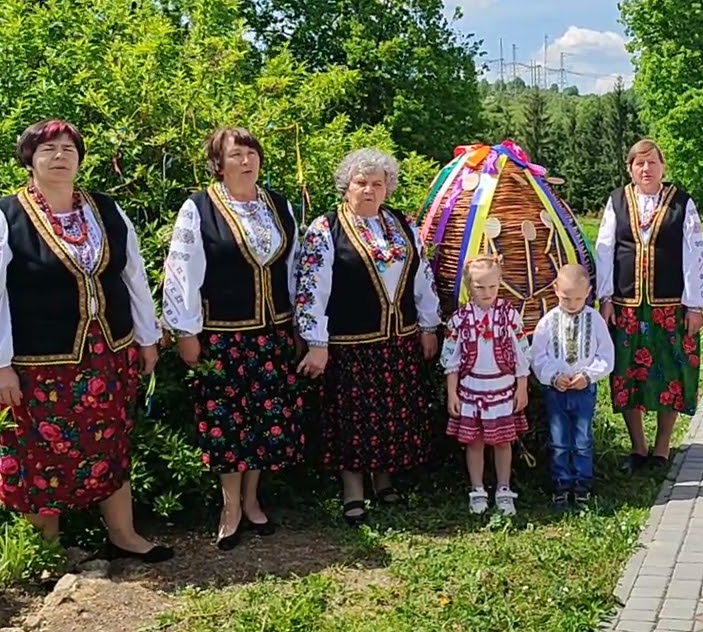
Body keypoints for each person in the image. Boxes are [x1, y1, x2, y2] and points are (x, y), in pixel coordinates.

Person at [0, 119, 172, 562]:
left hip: (109, 353)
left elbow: (132, 274)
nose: (60, 156)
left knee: (112, 444)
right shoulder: (7, 216)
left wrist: (148, 337)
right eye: (48, 149)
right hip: (39, 363)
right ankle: (48, 552)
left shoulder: (106, 210)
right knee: (40, 455)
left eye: (68, 149)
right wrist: (1, 364)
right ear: (29, 161)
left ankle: (124, 535)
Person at [163, 126, 305, 550]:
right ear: (218, 164)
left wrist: (301, 323)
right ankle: (229, 507)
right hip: (222, 337)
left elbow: (297, 268)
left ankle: (252, 500)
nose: (246, 161)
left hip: (273, 334)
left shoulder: (279, 205)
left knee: (266, 422)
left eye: (252, 153)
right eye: (236, 155)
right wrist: (185, 330)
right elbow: (181, 270)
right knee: (227, 425)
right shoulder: (199, 208)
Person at [294, 148, 441, 526]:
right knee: (351, 419)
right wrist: (316, 342)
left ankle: (384, 480)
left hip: (397, 341)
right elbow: (312, 289)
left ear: (388, 188)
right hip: (348, 345)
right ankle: (352, 491)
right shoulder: (326, 229)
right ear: (347, 186)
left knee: (392, 415)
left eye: (378, 183)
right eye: (361, 182)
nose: (369, 190)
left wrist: (428, 326)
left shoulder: (403, 225)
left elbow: (422, 279)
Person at [595, 139, 703, 473]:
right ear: (630, 168)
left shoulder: (681, 203)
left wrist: (695, 305)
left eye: (652, 163)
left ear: (663, 166)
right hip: (627, 304)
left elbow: (694, 254)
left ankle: (661, 449)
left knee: (670, 374)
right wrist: (605, 298)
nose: (646, 169)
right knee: (628, 375)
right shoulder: (617, 201)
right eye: (639, 164)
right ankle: (638, 448)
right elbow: (605, 250)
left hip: (671, 305)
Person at [442, 256, 531, 516]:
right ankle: (477, 489)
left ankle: (504, 489)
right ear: (470, 287)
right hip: (471, 390)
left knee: (503, 441)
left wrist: (522, 387)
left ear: (499, 284)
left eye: (492, 286)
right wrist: (452, 394)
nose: (487, 293)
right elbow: (452, 360)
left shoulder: (509, 315)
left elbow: (521, 354)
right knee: (475, 442)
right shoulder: (460, 320)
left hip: (502, 389)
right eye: (480, 287)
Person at [530, 265, 614, 509]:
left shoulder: (595, 320)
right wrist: (553, 376)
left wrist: (588, 376)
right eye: (567, 297)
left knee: (582, 438)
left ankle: (582, 484)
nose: (573, 303)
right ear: (556, 290)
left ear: (588, 292)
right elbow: (538, 356)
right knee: (558, 439)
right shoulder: (547, 322)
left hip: (584, 391)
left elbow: (606, 355)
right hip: (557, 391)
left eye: (579, 298)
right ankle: (561, 483)